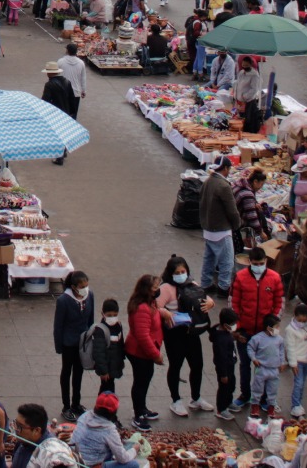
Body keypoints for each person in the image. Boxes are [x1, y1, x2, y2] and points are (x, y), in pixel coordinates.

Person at [156, 256, 213, 419]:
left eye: (183, 271)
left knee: (197, 365)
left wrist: (210, 303)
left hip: (191, 331)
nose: (181, 275)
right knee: (175, 365)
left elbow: (205, 297)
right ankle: (176, 400)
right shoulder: (166, 288)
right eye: (177, 272)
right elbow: (155, 306)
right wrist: (165, 313)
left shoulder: (191, 284)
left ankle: (196, 398)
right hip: (174, 333)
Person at [229, 248, 283, 411]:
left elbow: (279, 303)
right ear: (249, 262)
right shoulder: (240, 277)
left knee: (265, 367)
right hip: (245, 331)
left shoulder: (275, 278)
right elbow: (233, 303)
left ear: (266, 262)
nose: (258, 266)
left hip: (265, 334)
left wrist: (272, 326)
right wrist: (236, 329)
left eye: (261, 264)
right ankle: (245, 395)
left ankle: (264, 398)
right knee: (245, 364)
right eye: (255, 264)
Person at [122, 273, 164, 431]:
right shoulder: (142, 308)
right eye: (155, 288)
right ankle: (138, 414)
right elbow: (142, 336)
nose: (158, 290)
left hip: (145, 352)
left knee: (145, 380)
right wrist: (156, 355)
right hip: (139, 353)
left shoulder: (150, 303)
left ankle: (142, 408)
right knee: (140, 382)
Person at [53, 271, 94, 422]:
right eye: (82, 286)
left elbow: (90, 320)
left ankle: (76, 403)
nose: (85, 288)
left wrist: (89, 338)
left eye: (86, 285)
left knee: (79, 373)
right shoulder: (64, 300)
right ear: (74, 287)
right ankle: (66, 406)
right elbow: (58, 325)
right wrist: (59, 346)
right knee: (66, 373)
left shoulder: (90, 296)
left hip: (82, 343)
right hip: (68, 343)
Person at [197, 156, 238, 297]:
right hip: (221, 229)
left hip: (207, 228)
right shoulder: (224, 186)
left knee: (209, 259)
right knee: (226, 261)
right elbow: (232, 210)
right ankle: (223, 287)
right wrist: (237, 224)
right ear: (226, 168)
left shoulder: (208, 182)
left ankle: (206, 283)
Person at [70, 392, 141, 468]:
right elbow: (123, 459)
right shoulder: (109, 430)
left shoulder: (84, 416)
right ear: (113, 412)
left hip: (74, 459)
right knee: (134, 464)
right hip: (89, 465)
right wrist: (134, 450)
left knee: (115, 447)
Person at [10, 404, 77, 468]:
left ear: (36, 430)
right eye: (15, 423)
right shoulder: (23, 442)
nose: (15, 429)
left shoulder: (52, 451)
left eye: (19, 426)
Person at [282, 301, 307, 419]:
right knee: (298, 383)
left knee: (302, 383)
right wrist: (293, 363)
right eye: (299, 320)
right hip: (298, 361)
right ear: (295, 316)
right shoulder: (290, 330)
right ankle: (295, 405)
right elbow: (290, 347)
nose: (302, 322)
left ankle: (299, 404)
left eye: (304, 320)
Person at [41, 63, 78, 164]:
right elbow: (72, 98)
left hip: (55, 112)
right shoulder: (67, 82)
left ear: (49, 73)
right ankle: (63, 151)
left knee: (57, 135)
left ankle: (59, 157)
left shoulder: (49, 85)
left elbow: (46, 100)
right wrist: (72, 112)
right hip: (66, 111)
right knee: (64, 133)